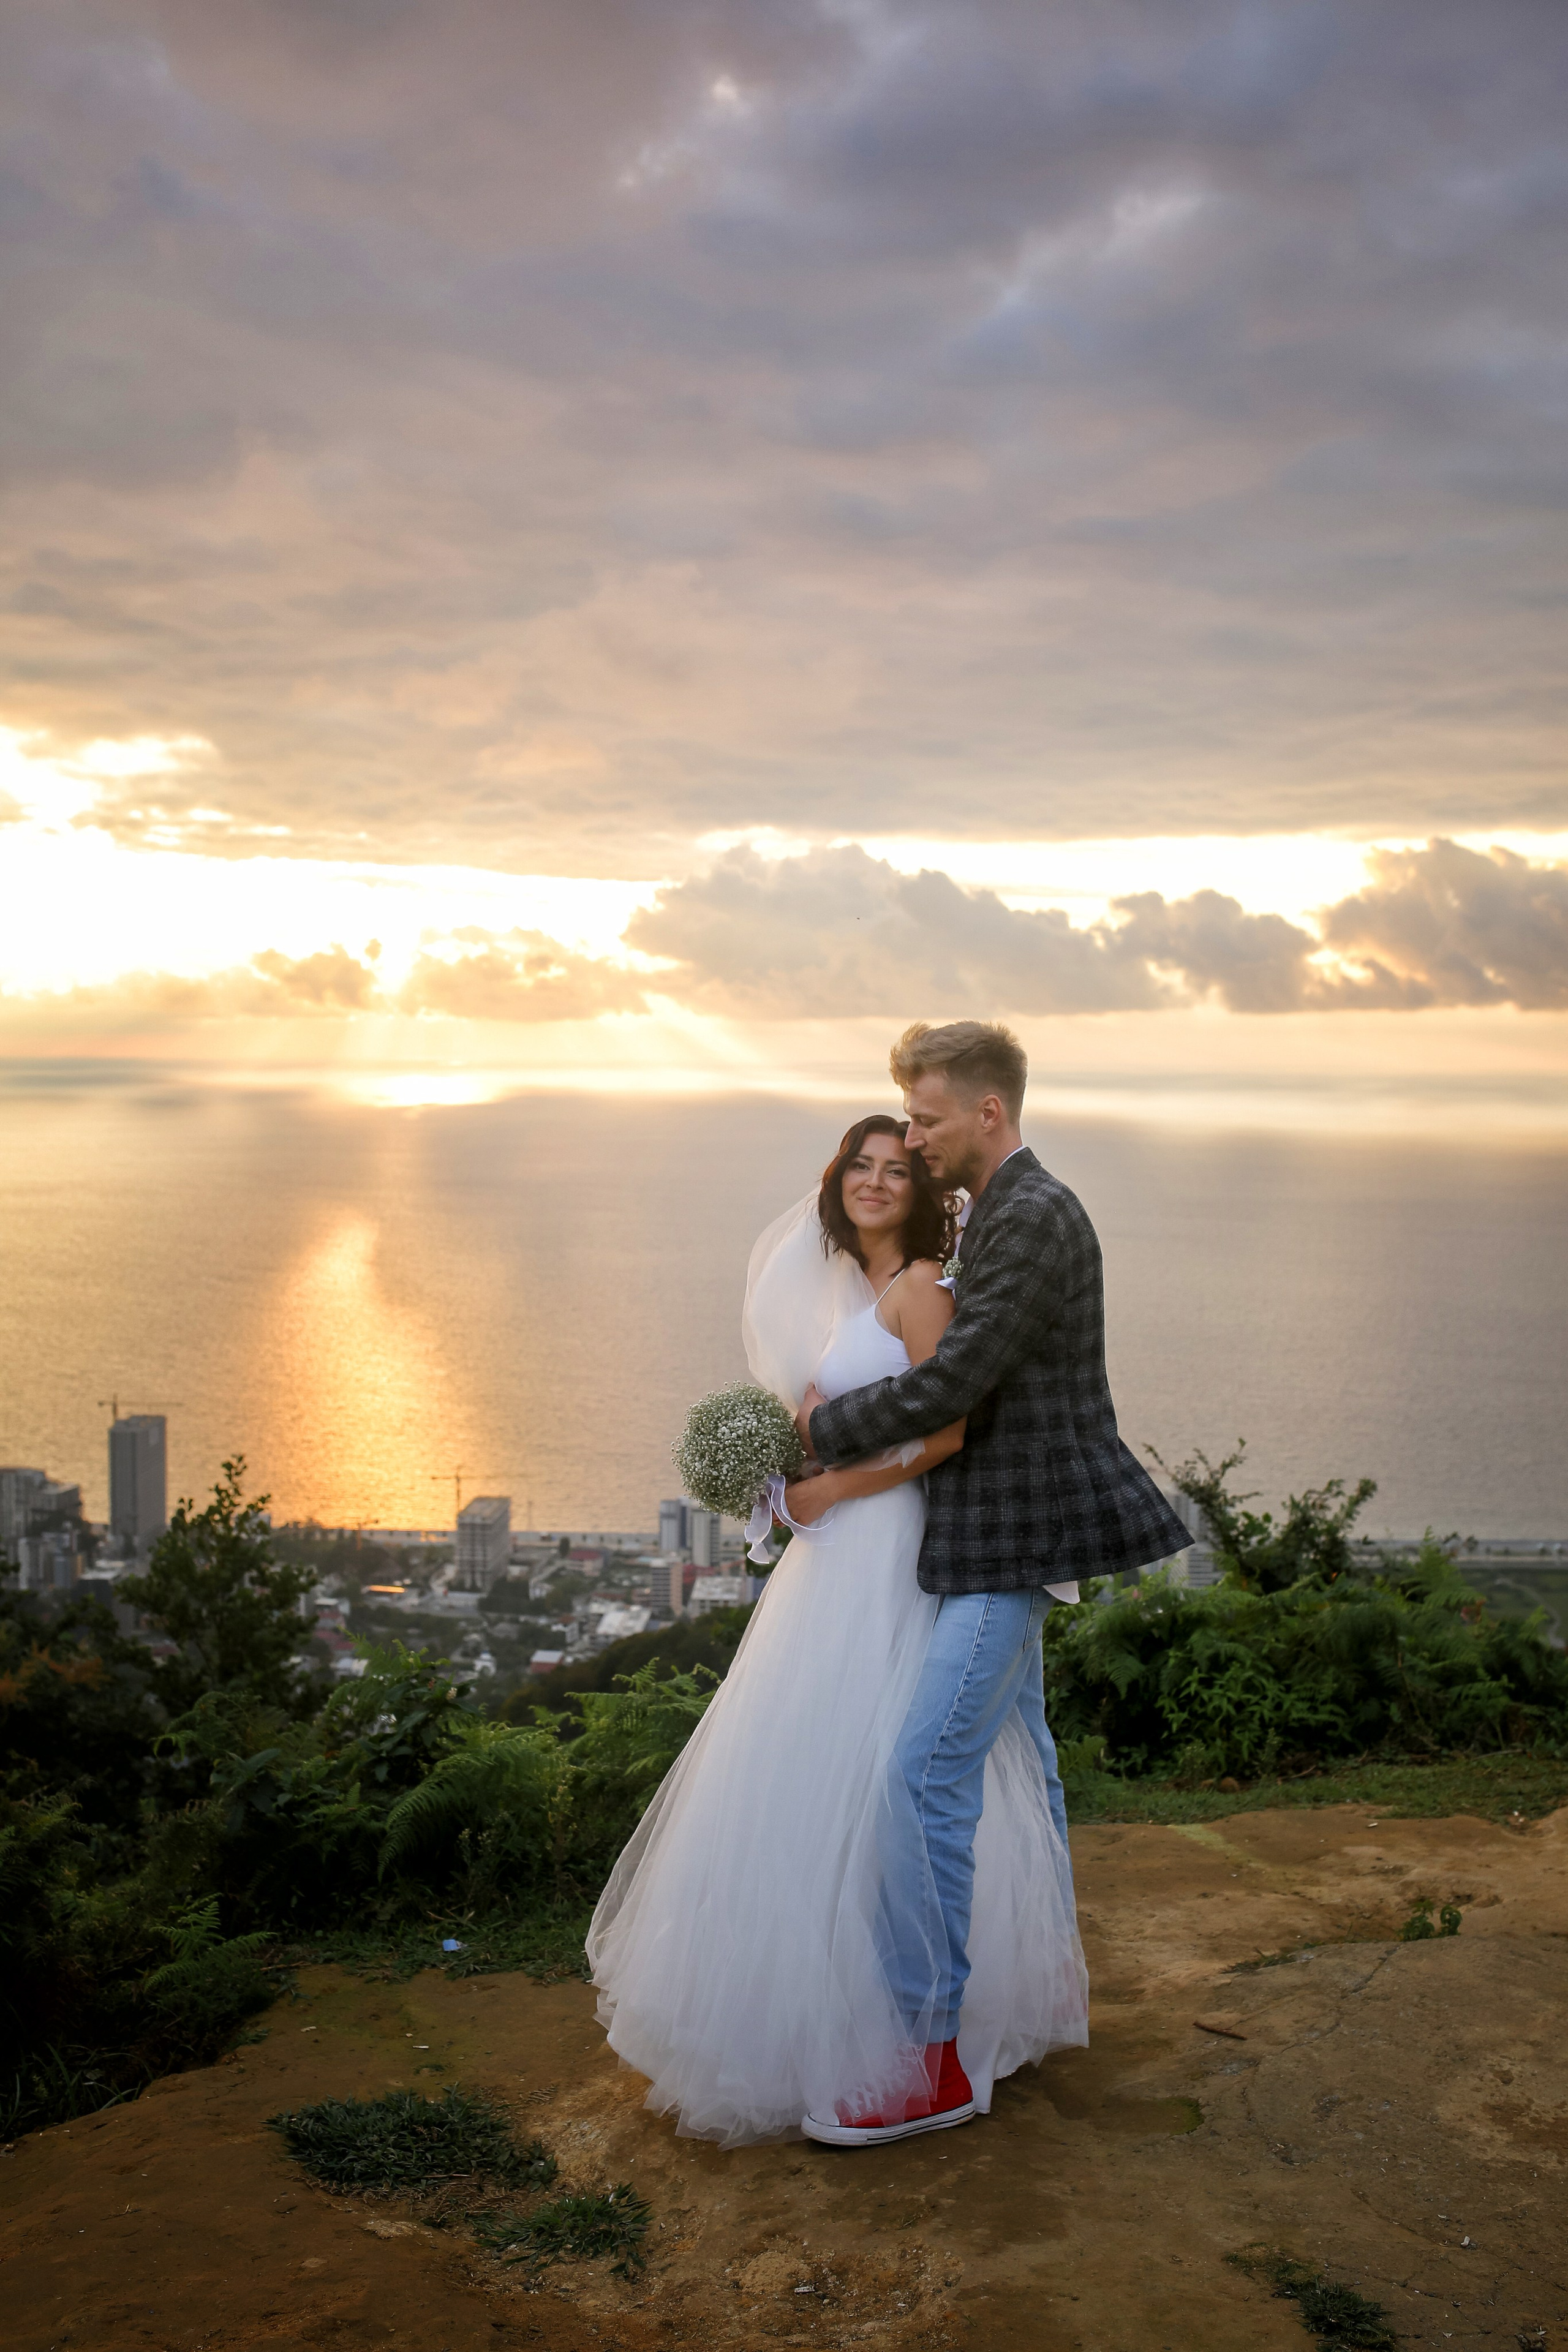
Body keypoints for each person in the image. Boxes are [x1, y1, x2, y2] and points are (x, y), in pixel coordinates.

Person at [586, 1111, 1088, 2147]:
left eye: (895, 1168)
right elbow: (822, 1421)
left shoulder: (919, 1292)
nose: (873, 1180)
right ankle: (813, 2020)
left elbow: (946, 1434)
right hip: (830, 1558)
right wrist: (782, 1485)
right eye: (858, 1165)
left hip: (895, 1547)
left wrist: (834, 1488)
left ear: (921, 1192)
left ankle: (921, 2033)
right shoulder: (836, 1298)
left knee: (902, 1772)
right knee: (807, 1764)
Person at [797, 1020, 1191, 2144]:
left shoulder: (1033, 1213)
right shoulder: (997, 1213)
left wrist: (825, 1436)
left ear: (988, 1113)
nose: (911, 1141)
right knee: (1030, 1773)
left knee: (920, 1782)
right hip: (991, 1540)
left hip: (1015, 1548)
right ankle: (1039, 2006)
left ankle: (930, 2067)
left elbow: (960, 1375)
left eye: (922, 1121)